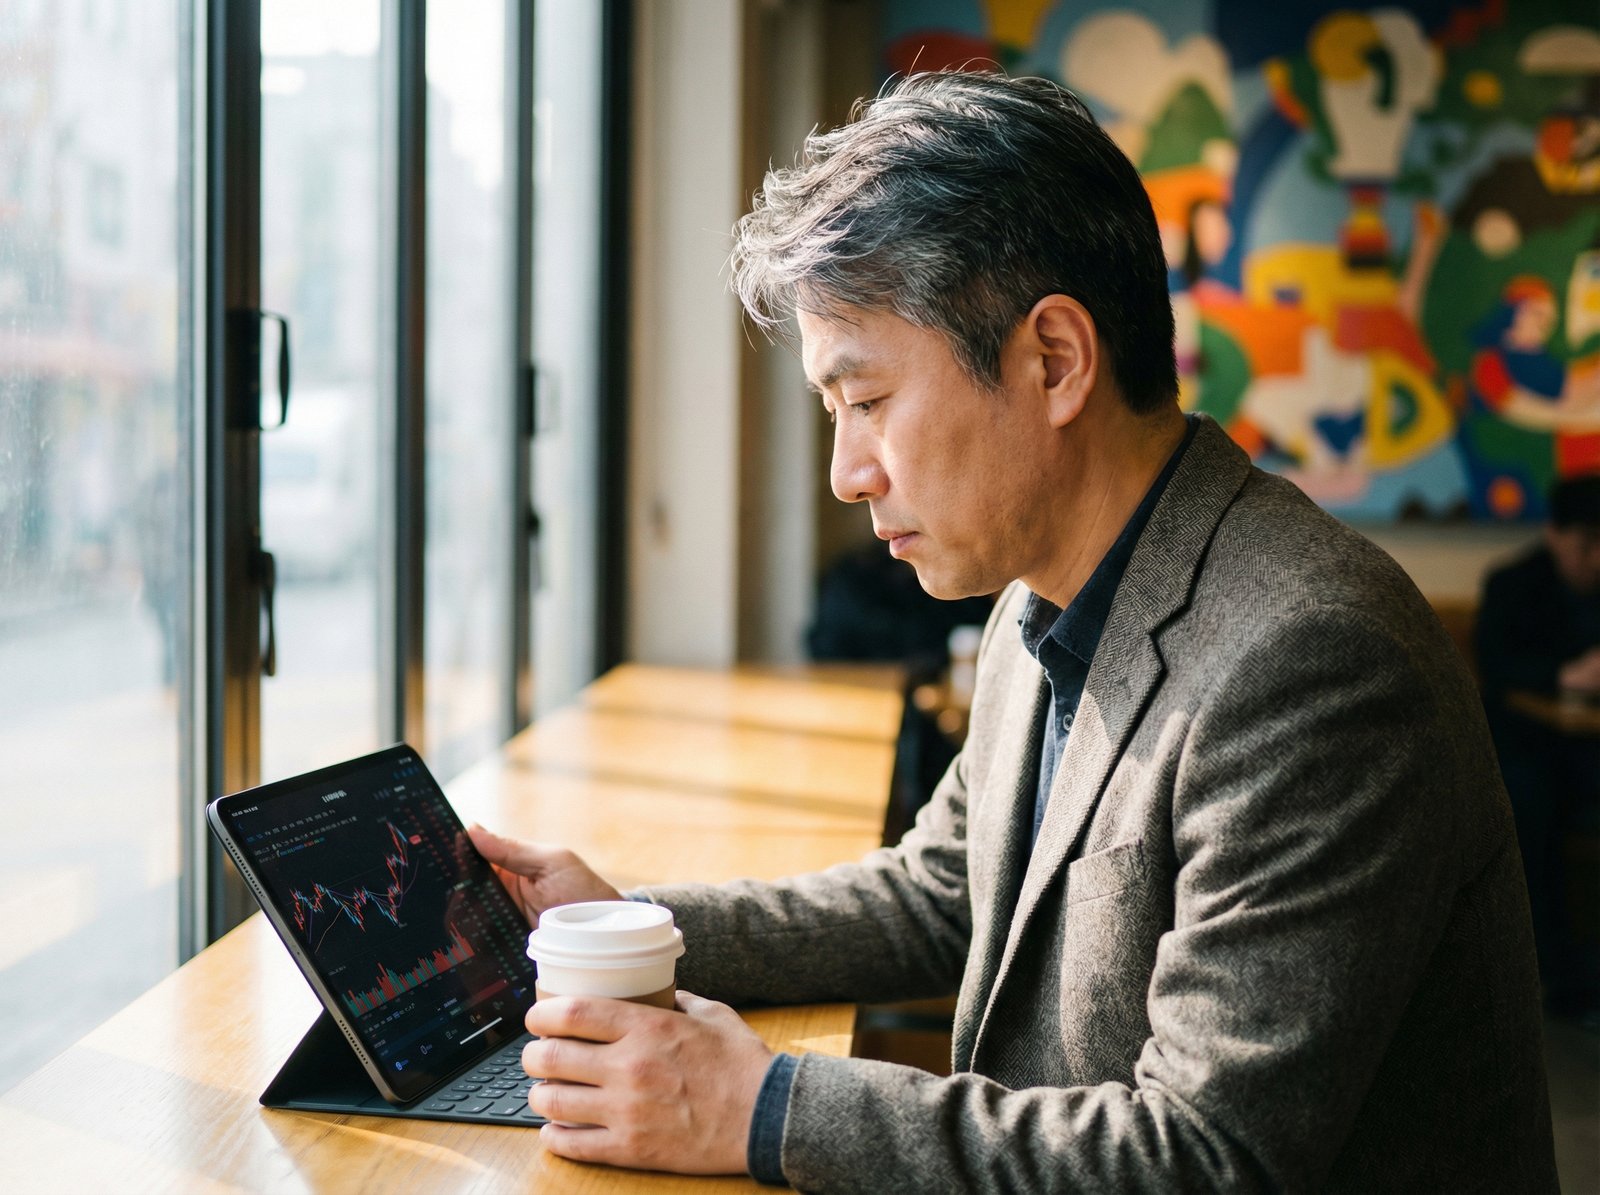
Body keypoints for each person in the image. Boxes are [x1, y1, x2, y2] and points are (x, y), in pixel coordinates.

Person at [468, 72, 1557, 1191]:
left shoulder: (1313, 660)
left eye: (868, 400)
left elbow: (1203, 1157)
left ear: (1053, 360)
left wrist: (761, 1104)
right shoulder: (1038, 596)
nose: (848, 472)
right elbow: (943, 890)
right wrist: (625, 920)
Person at [1476, 474, 1600, 1017]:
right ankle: (1556, 973)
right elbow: (1496, 668)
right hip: (1531, 750)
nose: (1597, 559)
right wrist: (1565, 676)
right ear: (1555, 534)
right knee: (1526, 802)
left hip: (1586, 751)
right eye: (1587, 543)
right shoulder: (1513, 583)